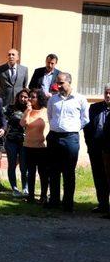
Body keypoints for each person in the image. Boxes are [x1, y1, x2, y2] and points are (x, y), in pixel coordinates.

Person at [46, 72, 89, 212]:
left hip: (70, 138)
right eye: (57, 83)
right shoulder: (53, 100)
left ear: (69, 82)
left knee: (68, 171)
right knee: (53, 170)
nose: (58, 85)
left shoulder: (80, 99)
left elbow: (85, 119)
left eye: (61, 83)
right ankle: (54, 201)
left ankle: (68, 203)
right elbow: (50, 115)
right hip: (54, 137)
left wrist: (74, 128)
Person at [83, 84, 110, 214]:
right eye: (106, 93)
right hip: (96, 149)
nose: (108, 95)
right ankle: (103, 204)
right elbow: (87, 129)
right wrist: (89, 145)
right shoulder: (94, 108)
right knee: (99, 177)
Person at [20, 88, 50, 204]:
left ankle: (43, 196)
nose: (30, 99)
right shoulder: (28, 110)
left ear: (39, 98)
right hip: (28, 145)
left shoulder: (46, 111)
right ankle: (31, 196)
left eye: (33, 97)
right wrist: (28, 111)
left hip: (42, 147)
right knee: (30, 172)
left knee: (43, 173)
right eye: (30, 97)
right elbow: (23, 124)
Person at [3, 89, 29, 197]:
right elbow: (2, 119)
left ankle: (25, 188)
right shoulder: (10, 108)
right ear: (18, 97)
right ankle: (14, 188)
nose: (22, 99)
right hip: (11, 140)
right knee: (12, 164)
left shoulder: (31, 109)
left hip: (25, 142)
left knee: (24, 166)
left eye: (25, 97)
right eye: (21, 96)